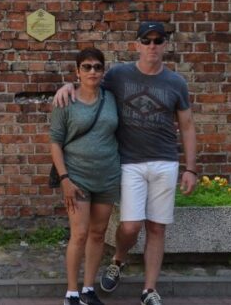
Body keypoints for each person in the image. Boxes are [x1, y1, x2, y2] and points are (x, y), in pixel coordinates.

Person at [54, 22, 198, 305]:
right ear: (137, 45)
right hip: (129, 162)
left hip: (165, 161)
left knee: (157, 228)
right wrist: (67, 85)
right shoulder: (119, 74)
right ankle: (118, 260)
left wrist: (190, 168)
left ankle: (149, 289)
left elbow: (188, 125)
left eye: (158, 40)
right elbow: (89, 83)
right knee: (130, 227)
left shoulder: (176, 83)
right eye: (147, 40)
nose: (152, 45)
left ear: (165, 44)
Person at [50, 48, 120, 305]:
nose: (92, 71)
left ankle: (89, 289)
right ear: (77, 71)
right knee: (79, 234)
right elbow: (55, 142)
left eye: (97, 67)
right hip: (76, 177)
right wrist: (65, 179)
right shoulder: (65, 101)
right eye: (87, 67)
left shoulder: (112, 98)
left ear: (103, 71)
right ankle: (71, 291)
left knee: (98, 233)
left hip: (107, 176)